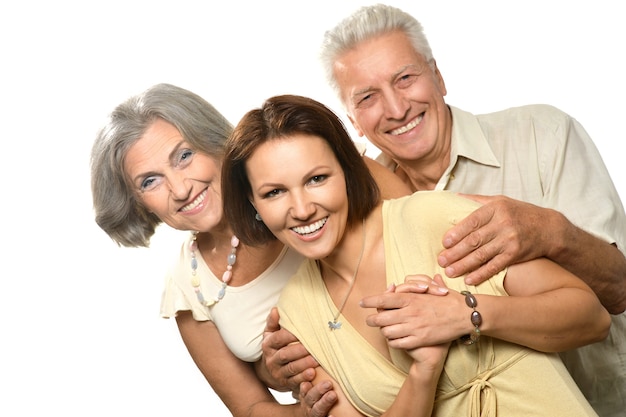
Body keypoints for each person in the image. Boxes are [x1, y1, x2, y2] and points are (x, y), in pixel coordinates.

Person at [262, 5, 626, 416]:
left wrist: (552, 233)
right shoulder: (366, 213)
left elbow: (618, 290)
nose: (396, 109)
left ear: (438, 76)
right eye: (367, 97)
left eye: (405, 78)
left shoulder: (542, 136)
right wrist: (288, 368)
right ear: (354, 123)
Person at [221, 93, 610, 416]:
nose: (302, 208)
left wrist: (467, 314)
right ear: (253, 204)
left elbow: (591, 318)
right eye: (274, 192)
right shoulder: (296, 315)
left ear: (348, 171)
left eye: (317, 179)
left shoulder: (429, 217)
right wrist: (423, 372)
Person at [89, 83, 411, 417]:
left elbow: (429, 225)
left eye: (184, 156)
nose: (181, 189)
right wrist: (302, 402)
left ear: (212, 140)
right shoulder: (189, 285)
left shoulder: (313, 166)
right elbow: (251, 408)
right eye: (149, 181)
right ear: (137, 202)